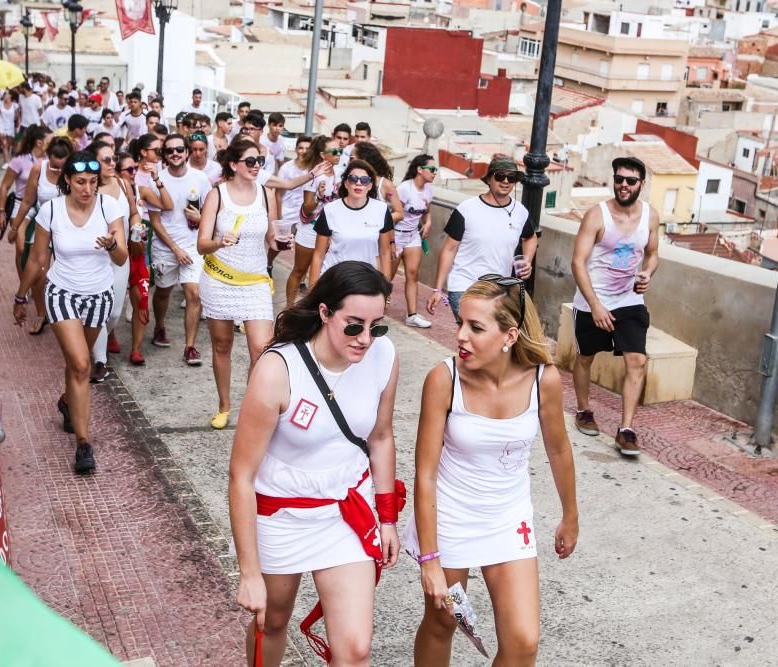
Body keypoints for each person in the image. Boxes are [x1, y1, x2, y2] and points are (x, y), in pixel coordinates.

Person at [230, 261, 402, 666]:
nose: (366, 339)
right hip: (281, 515)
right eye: (354, 325)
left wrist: (387, 517)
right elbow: (241, 475)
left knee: (355, 648)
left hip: (344, 512)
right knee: (271, 622)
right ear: (325, 313)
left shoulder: (384, 357)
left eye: (376, 326)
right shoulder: (278, 368)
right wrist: (249, 572)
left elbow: (380, 436)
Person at [406, 275, 578, 666]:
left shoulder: (543, 379)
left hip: (507, 521)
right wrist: (430, 559)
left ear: (510, 335)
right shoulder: (444, 380)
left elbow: (558, 448)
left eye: (476, 327)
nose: (461, 335)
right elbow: (426, 475)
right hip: (447, 524)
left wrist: (570, 515)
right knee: (443, 619)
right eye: (461, 322)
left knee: (523, 641)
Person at [13, 152, 128, 473]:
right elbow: (36, 260)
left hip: (99, 295)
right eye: (80, 182)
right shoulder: (50, 211)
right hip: (61, 292)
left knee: (78, 367)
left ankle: (67, 402)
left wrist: (110, 244)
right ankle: (83, 444)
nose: (87, 189)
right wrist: (20, 297)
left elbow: (120, 258)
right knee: (80, 363)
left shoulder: (109, 207)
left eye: (93, 182)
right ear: (67, 181)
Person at [570, 156, 660, 456]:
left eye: (630, 180)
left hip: (629, 299)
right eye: (619, 179)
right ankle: (584, 410)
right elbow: (578, 262)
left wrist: (647, 272)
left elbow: (652, 253)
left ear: (641, 184)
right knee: (585, 357)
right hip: (592, 299)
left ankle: (626, 429)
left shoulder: (650, 216)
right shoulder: (597, 216)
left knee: (637, 360)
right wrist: (595, 305)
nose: (623, 185)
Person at [197, 138, 277, 430]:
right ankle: (224, 405)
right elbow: (201, 245)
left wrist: (279, 241)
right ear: (234, 164)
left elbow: (271, 237)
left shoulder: (267, 194)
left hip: (255, 281)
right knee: (222, 345)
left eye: (260, 162)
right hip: (219, 279)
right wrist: (219, 241)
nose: (257, 166)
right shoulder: (216, 195)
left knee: (262, 347)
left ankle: (252, 407)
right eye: (251, 161)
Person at [425, 156, 537, 324]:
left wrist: (527, 260)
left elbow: (530, 237)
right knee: (478, 334)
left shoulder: (520, 212)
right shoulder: (466, 209)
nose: (506, 181)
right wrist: (438, 289)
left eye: (511, 178)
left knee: (484, 342)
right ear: (489, 179)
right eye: (500, 176)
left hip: (498, 290)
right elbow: (449, 249)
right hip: (464, 286)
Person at [148, 134, 213, 365]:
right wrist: (175, 249)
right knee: (163, 292)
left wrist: (200, 217)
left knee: (194, 293)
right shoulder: (155, 181)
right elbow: (155, 222)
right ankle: (159, 326)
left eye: (179, 149)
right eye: (169, 151)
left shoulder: (201, 179)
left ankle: (190, 347)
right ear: (164, 156)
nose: (175, 153)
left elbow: (211, 211)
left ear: (186, 152)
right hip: (166, 247)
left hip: (193, 246)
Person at [11, 136, 75, 335]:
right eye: (54, 167)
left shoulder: (76, 172)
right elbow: (28, 200)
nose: (57, 171)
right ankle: (41, 313)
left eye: (61, 168)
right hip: (43, 225)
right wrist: (15, 226)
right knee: (39, 272)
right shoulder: (39, 168)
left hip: (68, 227)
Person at [88, 141, 137, 383]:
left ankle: (90, 338)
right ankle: (99, 360)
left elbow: (135, 212)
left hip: (121, 255)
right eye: (105, 159)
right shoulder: (90, 190)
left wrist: (137, 224)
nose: (111, 164)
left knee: (115, 312)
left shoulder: (123, 183)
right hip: (97, 258)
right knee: (101, 309)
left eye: (113, 159)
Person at [309, 159, 393, 285]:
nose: (358, 183)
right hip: (335, 279)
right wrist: (313, 287)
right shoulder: (330, 210)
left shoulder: (381, 209)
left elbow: (385, 253)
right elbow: (318, 254)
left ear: (370, 185)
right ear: (346, 183)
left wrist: (386, 288)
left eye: (364, 180)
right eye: (353, 179)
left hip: (365, 281)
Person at [391, 153, 437, 328]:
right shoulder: (404, 188)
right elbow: (395, 213)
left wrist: (428, 223)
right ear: (419, 169)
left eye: (436, 170)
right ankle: (376, 308)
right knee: (388, 276)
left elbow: (427, 211)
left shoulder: (428, 190)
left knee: (413, 274)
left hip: (413, 236)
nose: (434, 173)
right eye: (431, 169)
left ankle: (412, 315)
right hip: (397, 235)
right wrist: (391, 240)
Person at [115, 151, 152, 366]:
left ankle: (136, 349)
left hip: (137, 251)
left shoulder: (139, 189)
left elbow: (166, 206)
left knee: (141, 300)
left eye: (135, 169)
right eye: (129, 170)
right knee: (113, 304)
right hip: (114, 254)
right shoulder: (108, 191)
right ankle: (110, 336)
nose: (134, 173)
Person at [293, 136, 343, 293]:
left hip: (329, 231)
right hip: (310, 230)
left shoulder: (339, 174)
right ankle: (288, 309)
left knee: (323, 272)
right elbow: (307, 208)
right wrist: (319, 197)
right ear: (322, 155)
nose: (339, 154)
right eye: (335, 151)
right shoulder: (315, 176)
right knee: (300, 271)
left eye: (340, 150)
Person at [0, 124, 48, 274]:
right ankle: (23, 285)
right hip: (20, 204)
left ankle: (33, 282)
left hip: (42, 206)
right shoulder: (20, 160)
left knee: (38, 249)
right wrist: (0, 212)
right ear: (39, 142)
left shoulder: (50, 160)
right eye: (48, 140)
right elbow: (5, 186)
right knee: (21, 248)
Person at [276, 135, 318, 306]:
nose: (303, 152)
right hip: (288, 214)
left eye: (307, 148)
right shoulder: (287, 168)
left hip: (306, 220)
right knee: (278, 246)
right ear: (296, 149)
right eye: (300, 148)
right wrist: (278, 217)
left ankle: (303, 291)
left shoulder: (316, 169)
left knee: (307, 258)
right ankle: (269, 264)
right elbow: (279, 193)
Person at [0, 89, 19, 163]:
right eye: (4, 94)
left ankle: (8, 158)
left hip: (10, 126)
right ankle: (6, 161)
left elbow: (17, 117)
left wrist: (17, 127)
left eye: (6, 94)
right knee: (4, 144)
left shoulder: (15, 105)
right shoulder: (0, 104)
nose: (4, 95)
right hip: (1, 126)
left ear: (10, 96)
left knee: (9, 144)